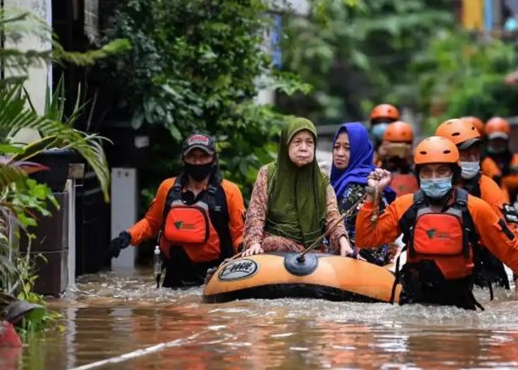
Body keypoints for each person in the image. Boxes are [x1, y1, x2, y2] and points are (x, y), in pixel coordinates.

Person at [355, 137, 518, 314]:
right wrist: (372, 195)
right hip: (415, 306)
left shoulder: (476, 209)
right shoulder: (405, 206)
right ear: (419, 175)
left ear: (453, 174)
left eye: (441, 171)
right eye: (427, 172)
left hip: (461, 306)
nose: (434, 177)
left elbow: (511, 250)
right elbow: (366, 239)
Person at [109, 132, 245, 287]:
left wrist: (245, 248)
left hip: (215, 277)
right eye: (192, 156)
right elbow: (151, 223)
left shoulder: (229, 191)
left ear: (213, 159)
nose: (198, 161)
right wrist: (127, 236)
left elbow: (238, 234)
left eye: (203, 156)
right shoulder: (168, 188)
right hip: (174, 277)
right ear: (184, 159)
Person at [436, 118, 518, 300]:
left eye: (475, 154)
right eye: (465, 154)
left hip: (483, 269)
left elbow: (509, 232)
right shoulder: (429, 187)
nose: (471, 160)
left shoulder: (487, 187)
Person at [243, 118, 354, 257]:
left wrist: (343, 243)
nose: (303, 148)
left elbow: (333, 216)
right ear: (286, 145)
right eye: (297, 142)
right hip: (276, 247)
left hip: (314, 249)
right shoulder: (268, 173)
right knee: (271, 243)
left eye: (309, 142)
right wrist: (254, 243)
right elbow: (256, 213)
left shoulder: (321, 178)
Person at [330, 122, 396, 265]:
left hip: (359, 263)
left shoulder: (358, 186)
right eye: (336, 146)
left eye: (347, 148)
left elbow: (336, 228)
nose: (339, 153)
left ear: (359, 151)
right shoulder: (341, 181)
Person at [482, 117, 518, 207]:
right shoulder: (484, 160)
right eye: (494, 140)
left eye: (500, 140)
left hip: (510, 201)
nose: (497, 143)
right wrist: (508, 172)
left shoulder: (516, 158)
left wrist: (499, 179)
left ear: (506, 141)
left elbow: (516, 181)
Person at [379, 121, 419, 197]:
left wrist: (412, 156)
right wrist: (380, 157)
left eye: (401, 144)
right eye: (394, 144)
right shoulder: (381, 164)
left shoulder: (415, 166)